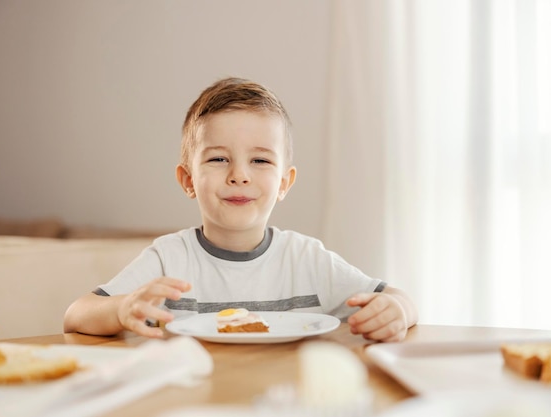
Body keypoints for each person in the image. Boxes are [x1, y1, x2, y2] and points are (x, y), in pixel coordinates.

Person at [64, 77, 418, 342]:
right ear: (188, 180)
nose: (239, 176)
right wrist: (122, 309)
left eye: (260, 160)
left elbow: (397, 298)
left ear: (283, 183)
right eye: (219, 158)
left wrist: (397, 311)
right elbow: (77, 314)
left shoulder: (307, 259)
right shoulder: (168, 259)